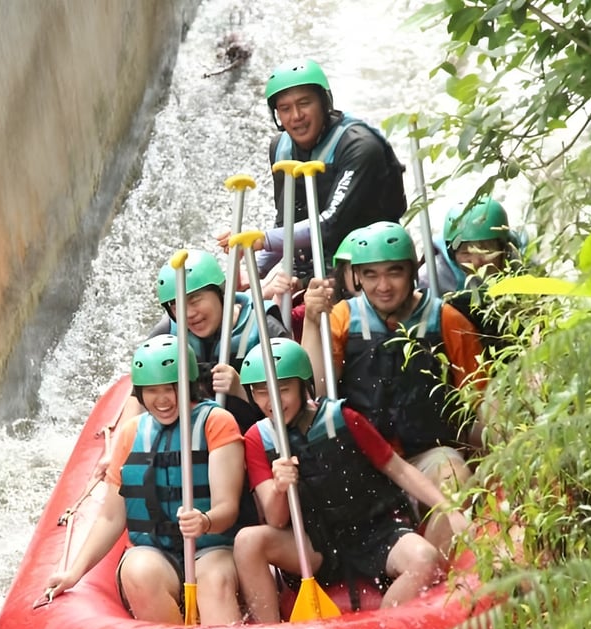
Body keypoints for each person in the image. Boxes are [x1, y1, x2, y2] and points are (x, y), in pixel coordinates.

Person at [234, 338, 470, 622]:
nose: (271, 402)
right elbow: (275, 519)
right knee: (247, 541)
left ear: (303, 386)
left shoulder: (343, 418)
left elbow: (399, 470)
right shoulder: (258, 439)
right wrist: (280, 487)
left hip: (375, 531)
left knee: (424, 559)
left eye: (282, 390)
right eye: (261, 393)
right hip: (314, 543)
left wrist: (449, 508)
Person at [45, 335, 245, 625]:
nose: (162, 399)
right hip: (156, 552)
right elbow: (111, 519)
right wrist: (74, 573)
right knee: (137, 571)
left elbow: (228, 507)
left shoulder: (217, 422)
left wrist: (205, 521)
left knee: (215, 579)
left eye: (170, 388)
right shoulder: (131, 433)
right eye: (152, 390)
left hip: (210, 548)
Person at [302, 221, 487, 494]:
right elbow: (314, 389)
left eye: (394, 273)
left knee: (454, 478)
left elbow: (479, 398)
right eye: (371, 275)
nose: (383, 286)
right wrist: (310, 321)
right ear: (357, 278)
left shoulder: (446, 320)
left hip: (429, 454)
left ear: (412, 271)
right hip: (363, 456)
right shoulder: (342, 317)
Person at [217, 57, 406, 289]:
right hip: (311, 270)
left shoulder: (359, 146)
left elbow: (330, 224)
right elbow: (287, 222)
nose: (296, 116)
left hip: (369, 268)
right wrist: (256, 270)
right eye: (285, 109)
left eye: (304, 103)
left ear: (324, 102)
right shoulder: (281, 149)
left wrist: (262, 240)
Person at [149, 248, 291, 432]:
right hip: (194, 437)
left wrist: (240, 389)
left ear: (220, 293)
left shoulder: (265, 329)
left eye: (195, 300)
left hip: (253, 434)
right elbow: (138, 392)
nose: (189, 314)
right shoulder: (167, 333)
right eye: (178, 306)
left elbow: (292, 404)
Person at [419, 196, 526, 354]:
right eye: (466, 252)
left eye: (487, 250)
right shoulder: (434, 277)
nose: (477, 262)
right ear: (452, 253)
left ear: (503, 247)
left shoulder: (521, 264)